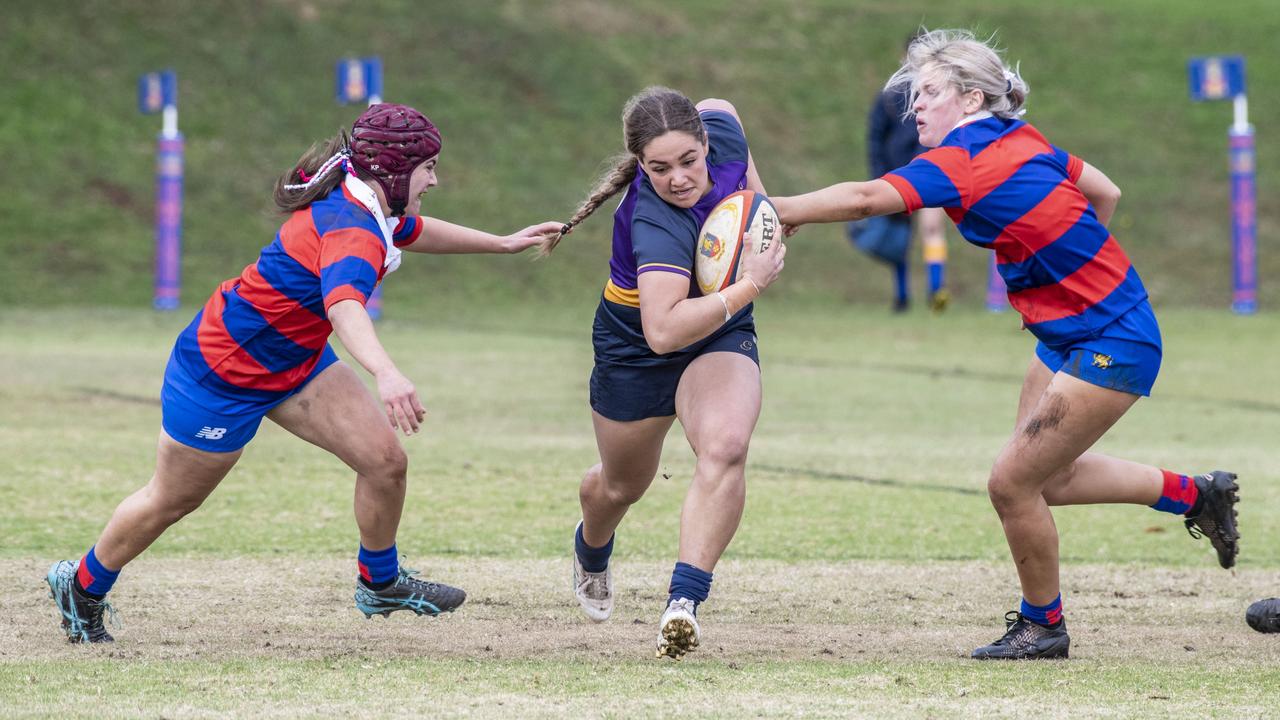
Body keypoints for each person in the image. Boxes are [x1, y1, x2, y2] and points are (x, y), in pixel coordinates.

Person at [770, 29, 1239, 660]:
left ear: (969, 98)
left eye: (928, 92)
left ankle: (1043, 626)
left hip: (1112, 337)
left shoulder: (962, 159)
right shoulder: (1023, 138)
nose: (916, 107)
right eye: (913, 95)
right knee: (1050, 480)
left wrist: (778, 208)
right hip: (1070, 333)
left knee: (1010, 484)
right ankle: (1197, 495)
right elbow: (1106, 192)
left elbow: (864, 198)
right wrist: (1062, 260)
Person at [45, 103, 565, 643]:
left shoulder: (365, 196)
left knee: (385, 463)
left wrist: (502, 243)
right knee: (172, 499)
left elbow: (408, 229)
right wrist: (386, 373)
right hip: (224, 371)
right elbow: (344, 306)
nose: (435, 178)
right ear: (393, 169)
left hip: (295, 360)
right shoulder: (351, 229)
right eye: (427, 167)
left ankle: (379, 583)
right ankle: (80, 586)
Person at [542, 86, 786, 659]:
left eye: (688, 161)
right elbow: (664, 331)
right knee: (622, 485)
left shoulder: (721, 135)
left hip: (721, 328)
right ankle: (591, 548)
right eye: (658, 168)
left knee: (725, 447)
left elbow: (722, 104)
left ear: (706, 144)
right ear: (639, 166)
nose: (678, 178)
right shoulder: (653, 220)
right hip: (638, 344)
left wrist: (761, 209)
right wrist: (752, 279)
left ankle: (683, 602)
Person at [850, 39, 950, 313]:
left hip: (933, 172)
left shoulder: (942, 94)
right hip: (897, 176)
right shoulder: (890, 94)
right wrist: (880, 177)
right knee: (899, 239)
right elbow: (875, 137)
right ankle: (902, 295)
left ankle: (936, 292)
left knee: (932, 228)